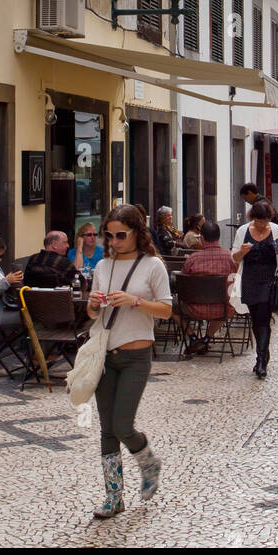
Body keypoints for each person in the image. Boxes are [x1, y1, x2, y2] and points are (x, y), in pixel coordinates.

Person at [86, 205, 172, 520]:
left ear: (136, 232)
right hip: (105, 355)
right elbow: (93, 315)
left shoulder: (153, 266)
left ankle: (148, 460)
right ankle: (113, 497)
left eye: (120, 235)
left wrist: (135, 301)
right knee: (107, 431)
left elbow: (165, 310)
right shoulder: (103, 266)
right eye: (109, 235)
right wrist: (94, 305)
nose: (114, 241)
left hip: (136, 355)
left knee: (122, 425)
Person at [232, 200, 278, 378]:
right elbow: (234, 257)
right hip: (249, 280)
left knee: (264, 318)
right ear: (253, 219)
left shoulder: (277, 231)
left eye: (264, 222)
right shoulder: (243, 231)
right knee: (256, 319)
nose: (262, 226)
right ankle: (263, 353)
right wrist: (242, 252)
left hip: (269, 280)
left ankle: (261, 360)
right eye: (258, 222)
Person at [179, 221, 236, 354]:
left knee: (170, 307)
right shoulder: (230, 257)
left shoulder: (193, 258)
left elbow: (183, 280)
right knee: (231, 303)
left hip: (193, 309)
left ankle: (193, 337)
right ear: (219, 237)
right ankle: (206, 339)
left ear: (202, 238)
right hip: (222, 309)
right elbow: (235, 281)